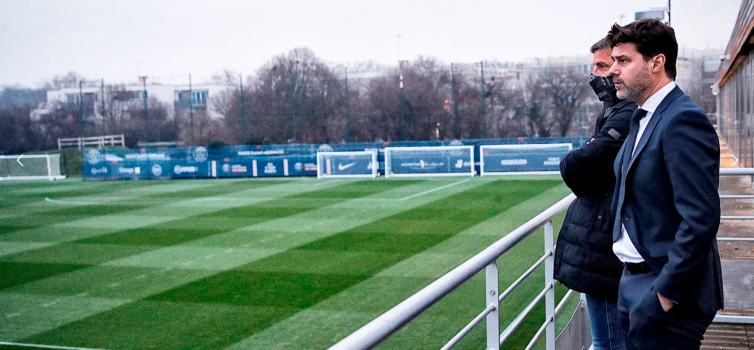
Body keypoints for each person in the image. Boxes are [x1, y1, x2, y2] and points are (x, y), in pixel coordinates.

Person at [606, 19, 723, 350]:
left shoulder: (683, 119)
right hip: (633, 281)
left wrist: (665, 295)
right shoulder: (642, 115)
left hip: (665, 291)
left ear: (657, 62)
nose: (613, 70)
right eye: (614, 61)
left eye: (624, 60)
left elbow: (701, 218)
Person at [554, 37, 636, 350]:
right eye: (596, 66)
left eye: (603, 65)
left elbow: (577, 166)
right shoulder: (616, 110)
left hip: (605, 252)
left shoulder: (627, 114)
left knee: (609, 343)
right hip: (604, 249)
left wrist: (583, 155)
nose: (598, 74)